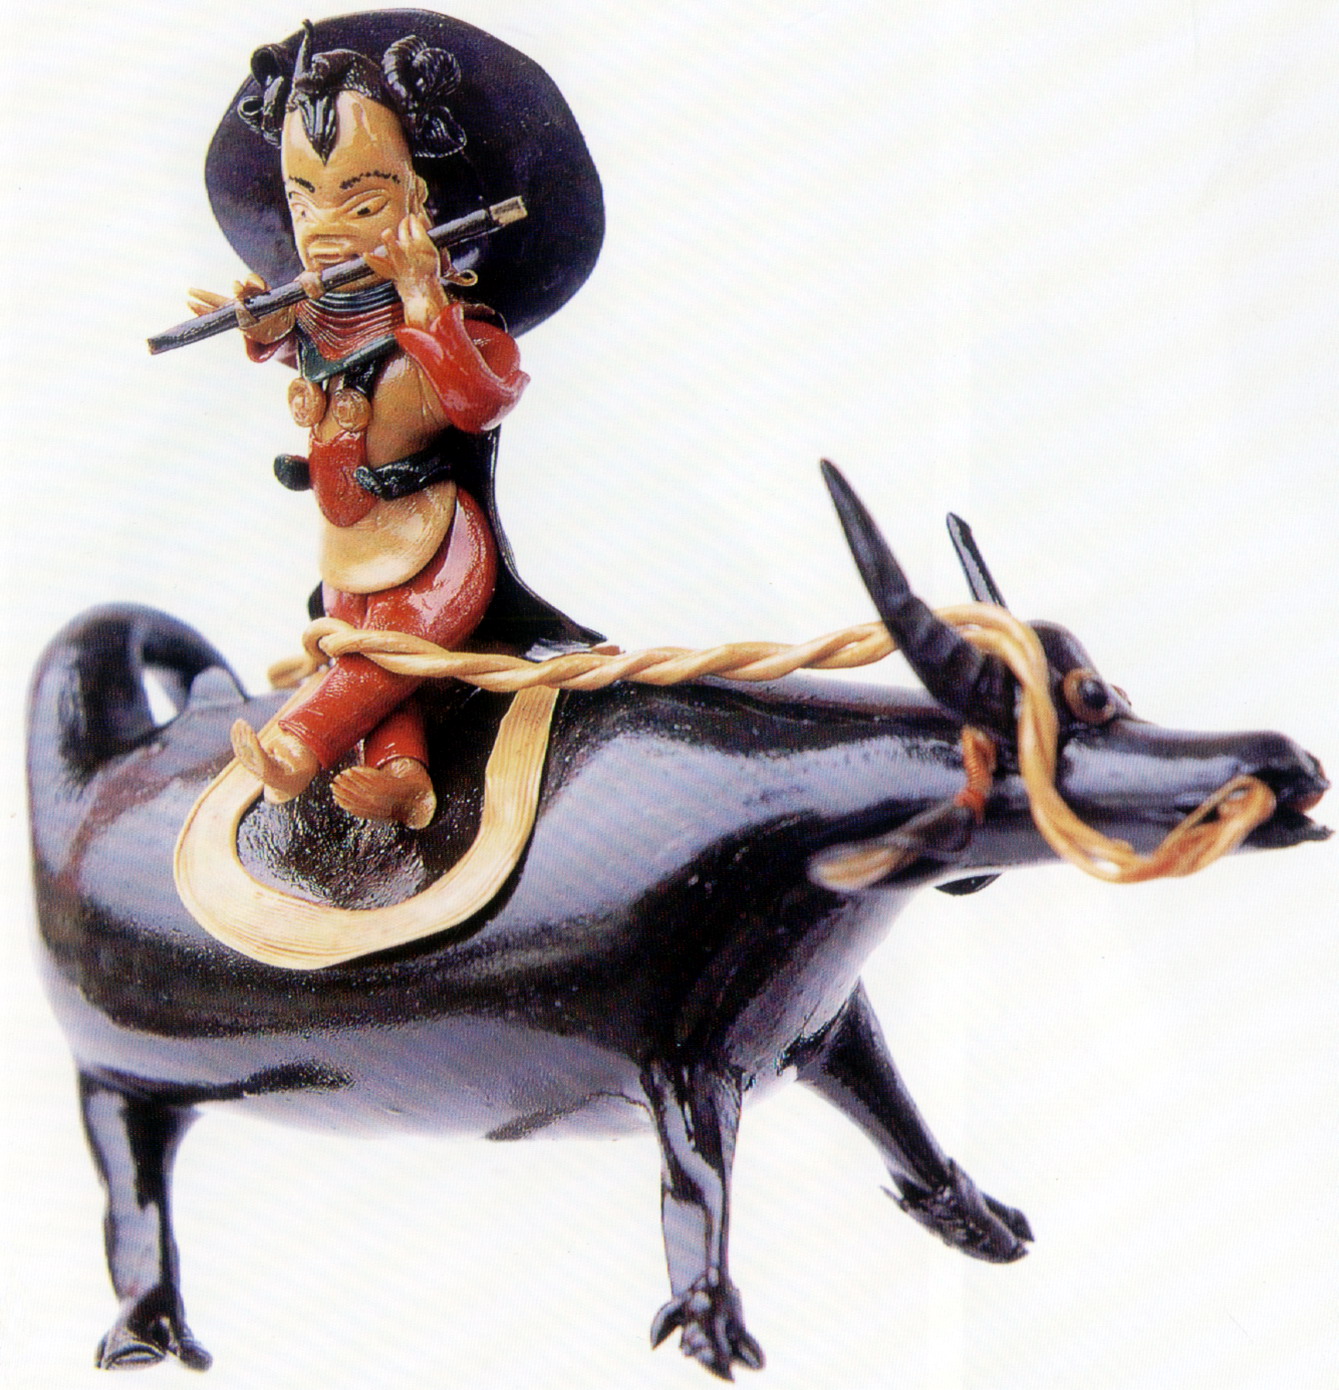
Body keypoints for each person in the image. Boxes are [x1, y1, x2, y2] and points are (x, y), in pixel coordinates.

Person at [198, 20, 601, 829]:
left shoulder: (461, 325)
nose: (324, 230)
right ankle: (405, 778)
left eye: (363, 203)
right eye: (302, 203)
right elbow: (300, 350)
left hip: (436, 544)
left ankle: (296, 747)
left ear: (422, 204)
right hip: (351, 545)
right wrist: (260, 326)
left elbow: (477, 401)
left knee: (385, 659)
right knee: (368, 665)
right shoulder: (324, 319)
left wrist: (422, 297)